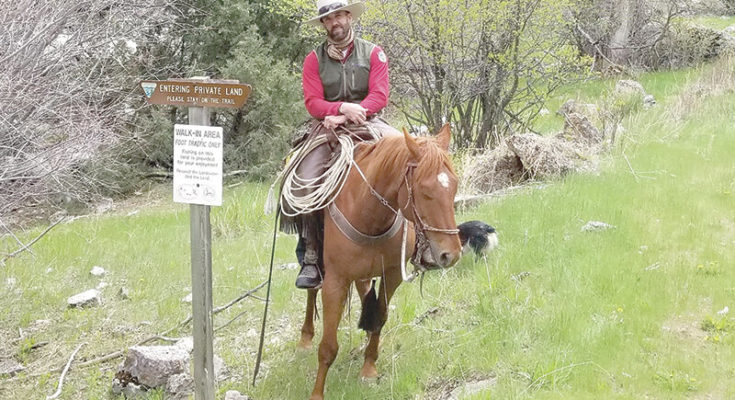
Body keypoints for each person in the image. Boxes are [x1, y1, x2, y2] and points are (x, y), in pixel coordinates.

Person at [290, 0, 400, 289]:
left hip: (369, 121)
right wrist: (339, 109)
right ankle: (311, 256)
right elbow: (313, 102)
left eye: (339, 15)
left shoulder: (374, 53)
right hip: (327, 126)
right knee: (304, 181)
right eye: (328, 18)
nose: (334, 22)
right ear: (323, 24)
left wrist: (353, 112)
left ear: (349, 17)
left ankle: (419, 243)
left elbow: (380, 95)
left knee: (408, 159)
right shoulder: (313, 60)